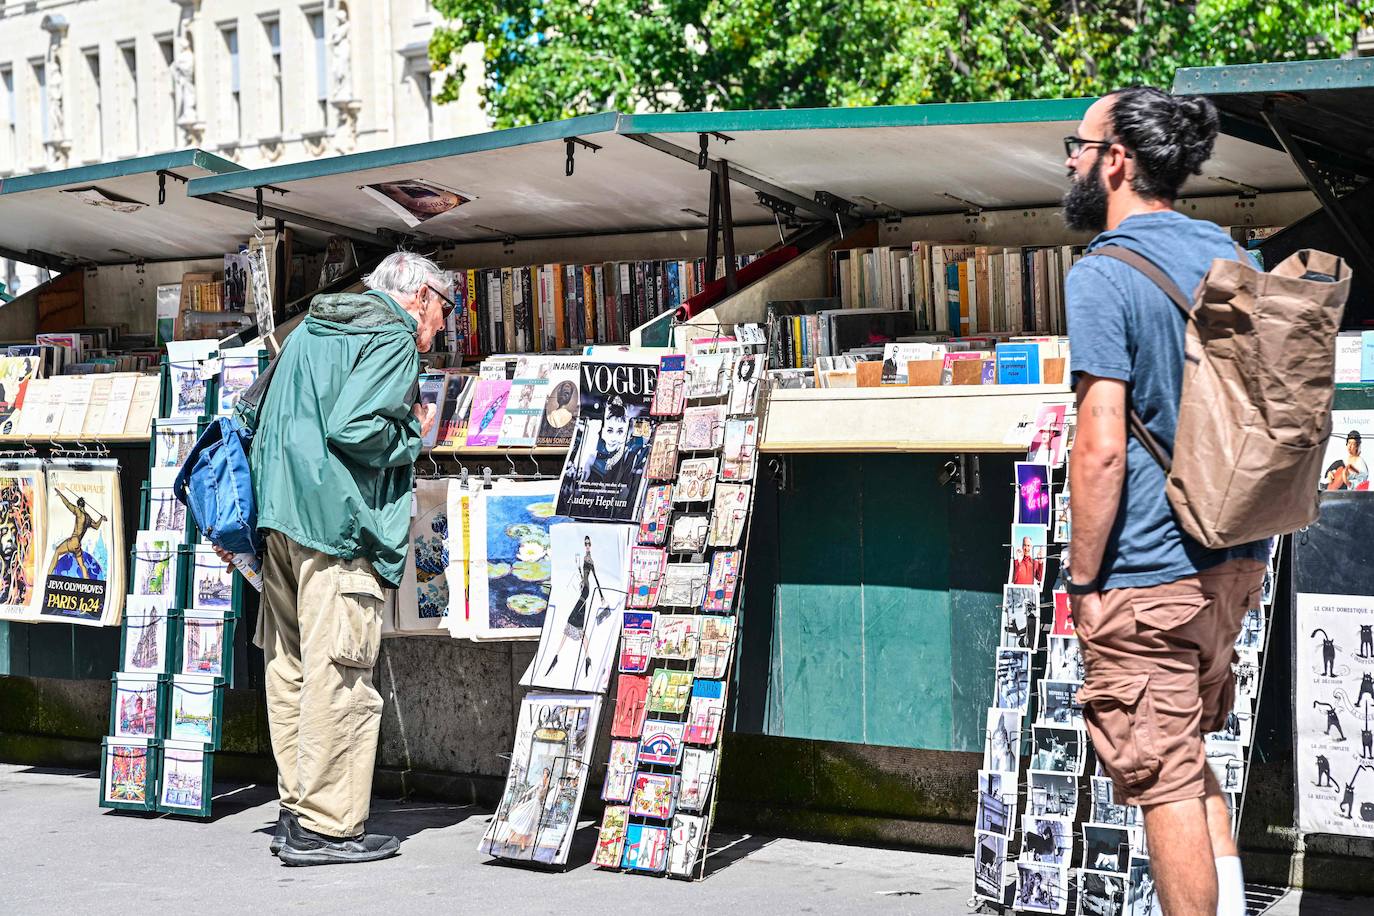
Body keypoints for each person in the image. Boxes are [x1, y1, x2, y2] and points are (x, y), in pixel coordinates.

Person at [1063, 87, 1271, 916]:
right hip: (1233, 561)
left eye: (1077, 146)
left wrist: (1084, 582)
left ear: (1117, 159)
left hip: (1148, 572)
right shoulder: (1233, 258)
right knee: (1187, 756)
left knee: (1163, 779)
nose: (1071, 162)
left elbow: (1102, 444)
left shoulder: (1105, 273)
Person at [236, 251, 448, 866]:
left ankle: (297, 809)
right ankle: (327, 827)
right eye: (444, 309)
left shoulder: (310, 329)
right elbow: (357, 428)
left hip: (279, 521)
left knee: (291, 668)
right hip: (336, 525)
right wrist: (415, 431)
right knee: (341, 673)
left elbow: (267, 416)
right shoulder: (391, 333)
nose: (441, 327)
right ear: (419, 298)